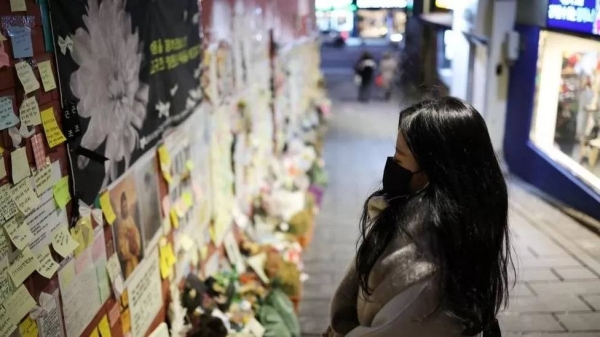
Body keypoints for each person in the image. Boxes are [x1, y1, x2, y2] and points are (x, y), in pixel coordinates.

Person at [324, 97, 512, 337]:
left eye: (399, 156)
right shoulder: (453, 229)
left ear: (437, 171)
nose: (393, 164)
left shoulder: (425, 280)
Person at [117, 192, 142, 278]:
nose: (125, 208)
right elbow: (122, 247)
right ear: (121, 208)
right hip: (128, 264)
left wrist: (134, 239)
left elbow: (137, 234)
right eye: (124, 206)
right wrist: (129, 240)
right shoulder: (121, 225)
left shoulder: (131, 219)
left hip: (135, 259)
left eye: (126, 206)